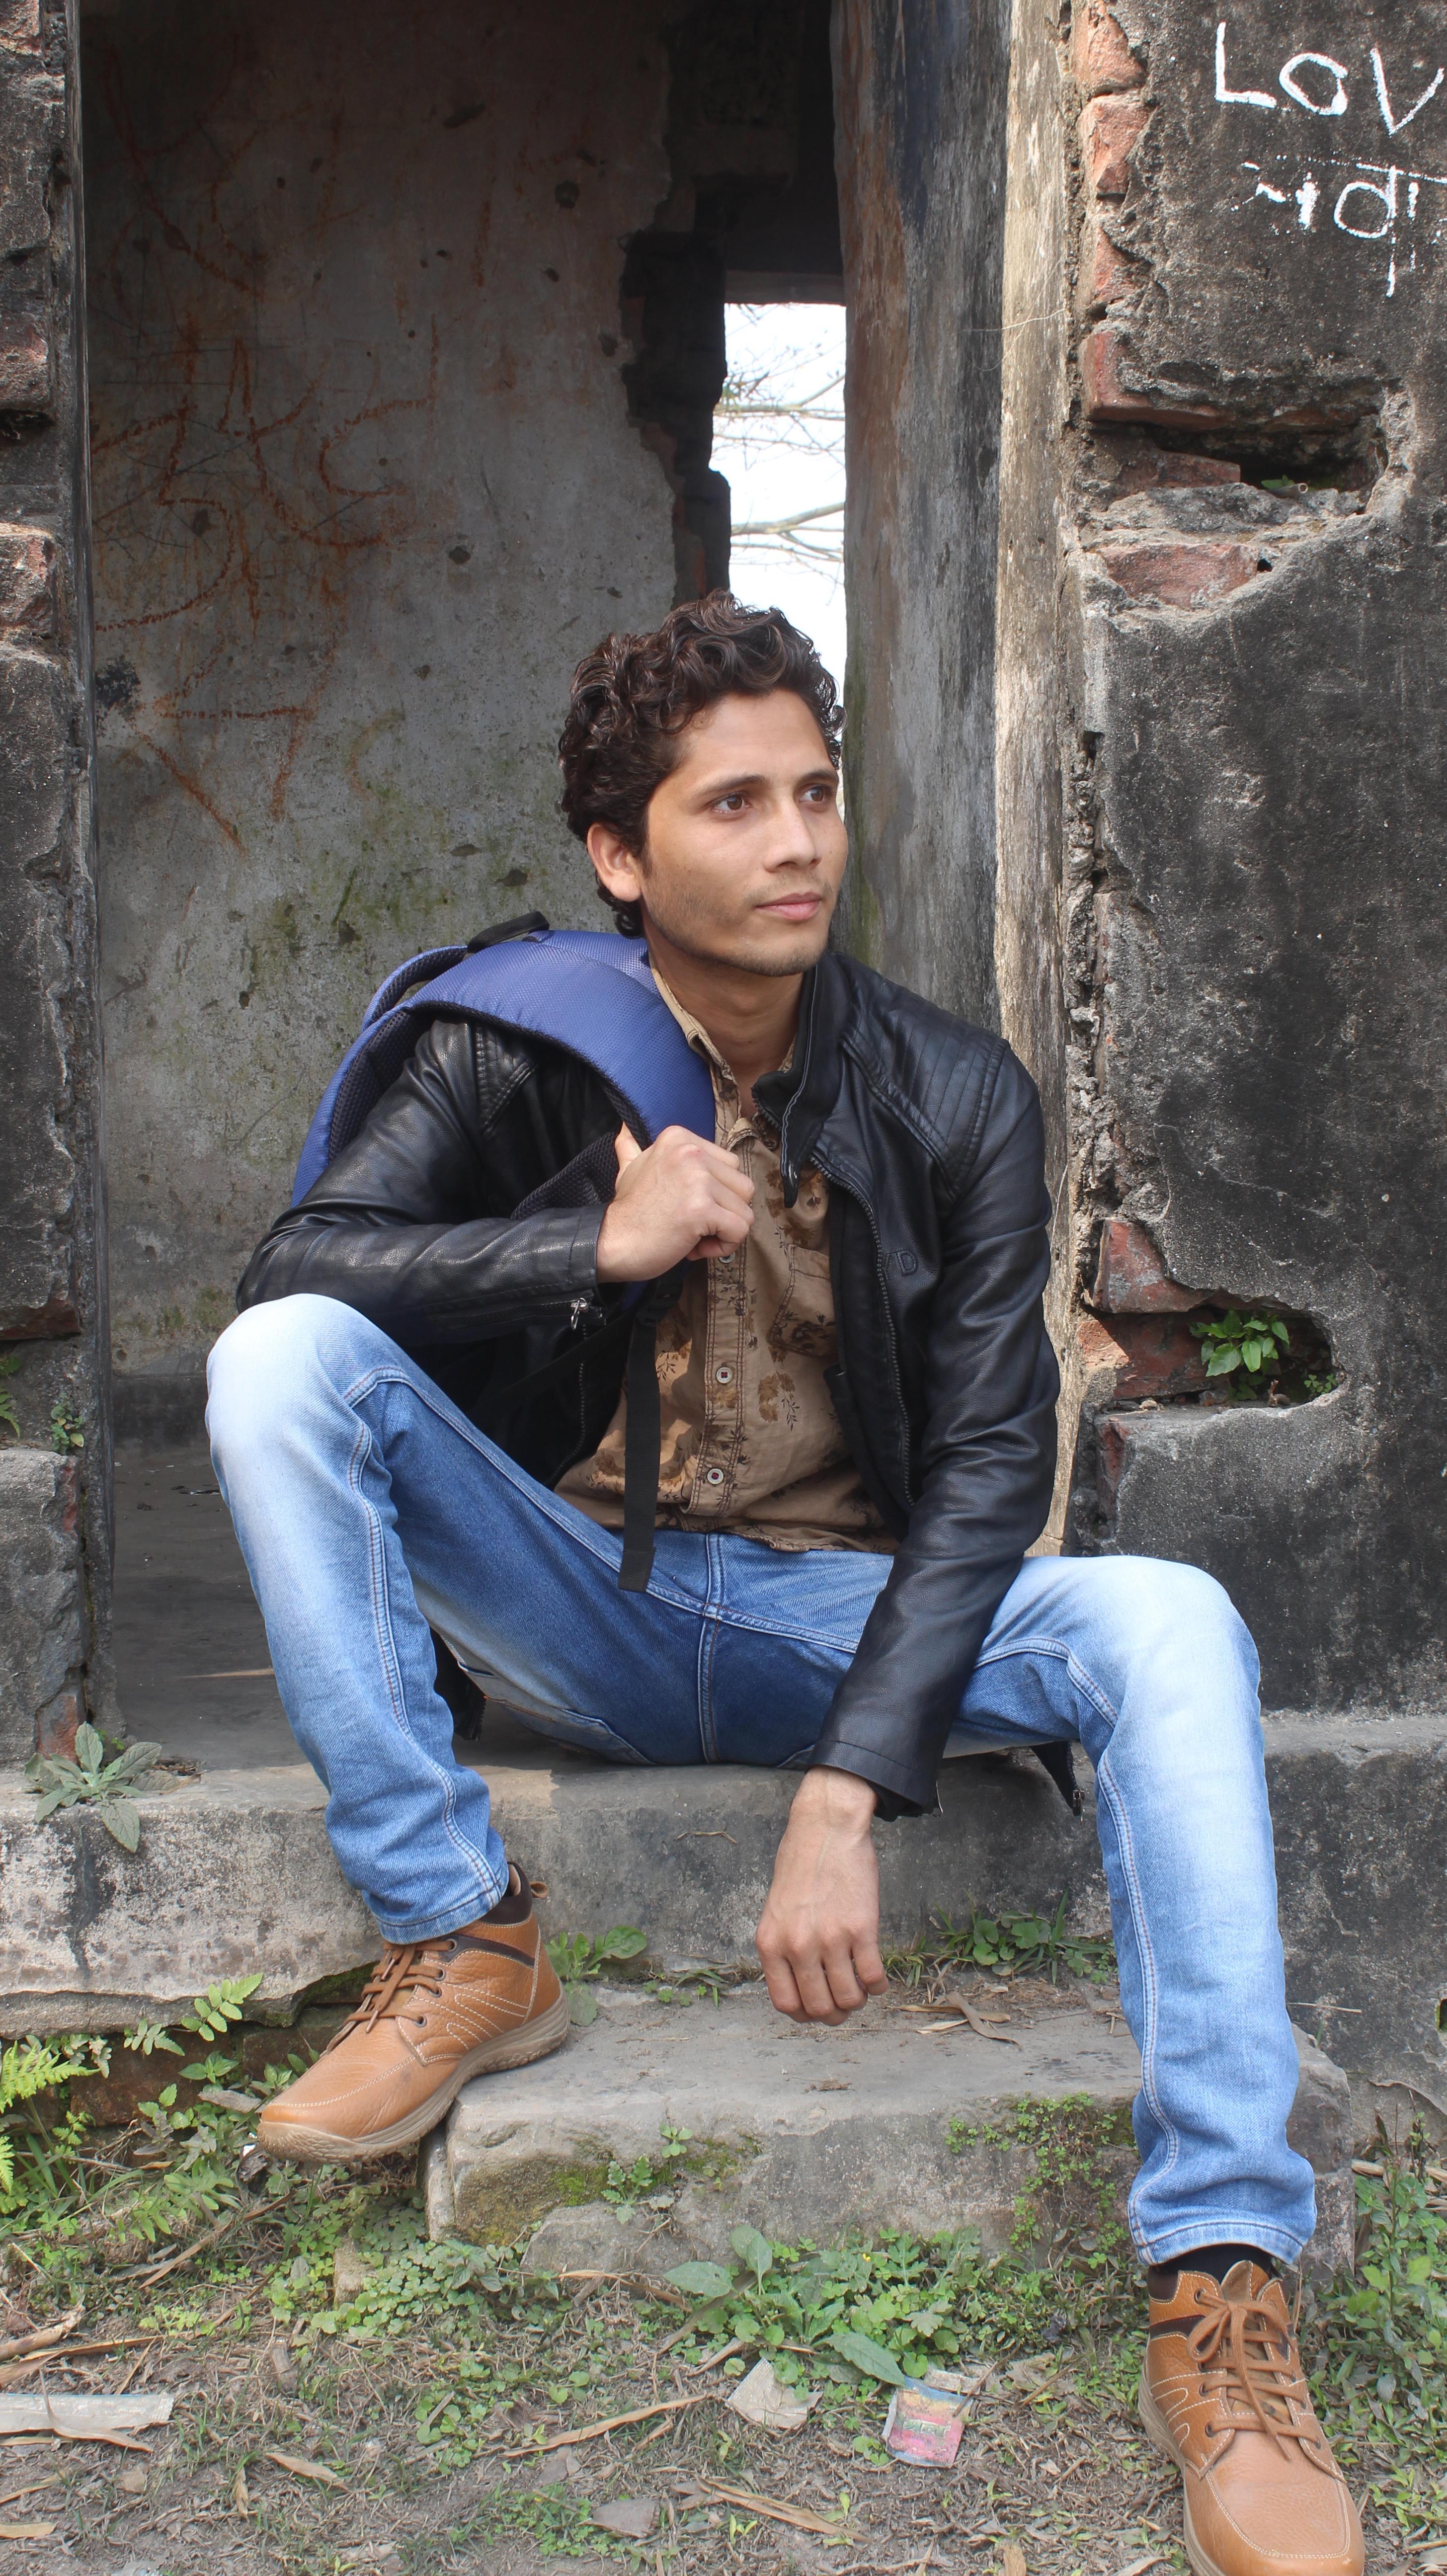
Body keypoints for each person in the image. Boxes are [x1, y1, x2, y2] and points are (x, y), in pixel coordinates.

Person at [207, 593, 1363, 2576]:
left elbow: (991, 1463)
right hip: (577, 1594)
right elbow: (294, 1267)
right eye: (730, 804)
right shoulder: (509, 1043)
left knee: (1169, 1617)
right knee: (281, 1365)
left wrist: (847, 1791)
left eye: (813, 793)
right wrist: (588, 1245)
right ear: (619, 854)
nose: (795, 841)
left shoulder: (951, 1090)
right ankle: (462, 1934)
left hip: (842, 1622)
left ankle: (1223, 2284)